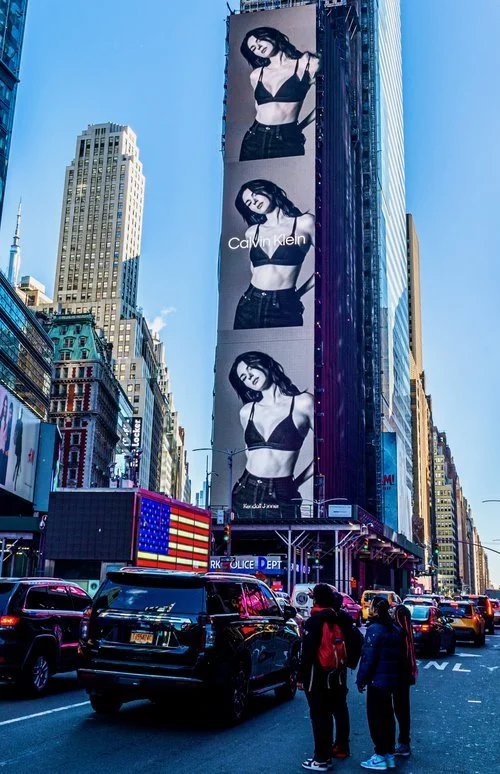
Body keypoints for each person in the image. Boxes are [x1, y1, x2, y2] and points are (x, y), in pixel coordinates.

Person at [229, 351, 313, 518]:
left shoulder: (302, 403)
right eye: (244, 377)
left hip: (282, 493)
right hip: (245, 490)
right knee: (240, 543)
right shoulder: (247, 412)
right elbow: (250, 453)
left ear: (265, 363)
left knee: (283, 542)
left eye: (251, 368)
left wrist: (295, 484)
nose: (249, 377)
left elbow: (326, 453)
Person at [232, 179, 314, 329]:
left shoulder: (304, 223)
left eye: (255, 195)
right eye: (249, 203)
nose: (254, 202)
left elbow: (328, 267)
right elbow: (254, 269)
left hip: (284, 307)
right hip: (248, 305)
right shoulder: (252, 232)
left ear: (268, 190)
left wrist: (297, 295)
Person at [298, 585, 359, 771]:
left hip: (317, 677)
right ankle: (339, 747)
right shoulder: (340, 618)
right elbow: (356, 641)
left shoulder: (314, 622)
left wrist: (301, 678)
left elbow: (307, 654)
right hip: (337, 675)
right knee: (337, 710)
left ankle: (321, 758)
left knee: (319, 716)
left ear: (315, 600)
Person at [239, 26, 320, 161]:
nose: (258, 47)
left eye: (259, 40)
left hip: (287, 139)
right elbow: (259, 108)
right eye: (253, 48)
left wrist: (299, 128)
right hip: (253, 139)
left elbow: (327, 101)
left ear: (271, 36)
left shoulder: (306, 63)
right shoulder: (256, 75)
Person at [356, 596, 405, 771]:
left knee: (376, 718)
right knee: (388, 716)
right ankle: (389, 754)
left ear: (376, 609)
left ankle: (379, 755)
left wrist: (361, 679)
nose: (368, 609)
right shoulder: (395, 629)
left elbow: (368, 658)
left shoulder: (375, 629)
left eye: (370, 606)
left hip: (377, 681)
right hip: (392, 680)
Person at [392, 604, 417, 758]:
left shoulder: (397, 633)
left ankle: (402, 743)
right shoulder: (408, 632)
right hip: (406, 676)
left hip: (396, 677)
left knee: (396, 710)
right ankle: (404, 742)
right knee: (403, 710)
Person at [13, 408, 23, 490]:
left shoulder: (21, 422)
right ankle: (14, 481)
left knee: (18, 461)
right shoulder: (18, 422)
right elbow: (16, 434)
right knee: (17, 462)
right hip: (18, 444)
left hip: (20, 444)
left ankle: (15, 481)